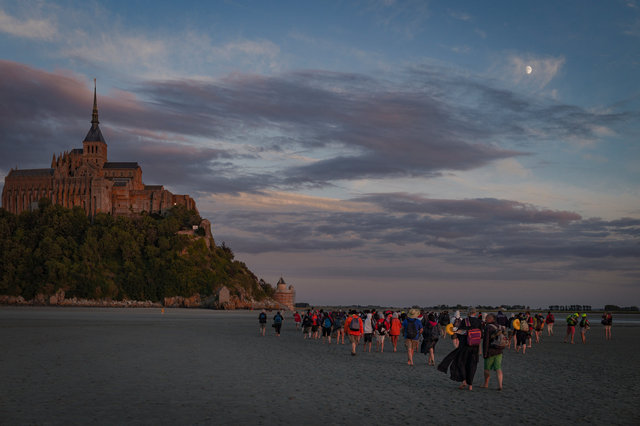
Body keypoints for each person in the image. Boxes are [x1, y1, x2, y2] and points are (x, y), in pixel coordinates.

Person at [437, 307, 482, 390]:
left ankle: (464, 381)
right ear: (475, 313)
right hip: (475, 346)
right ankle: (470, 385)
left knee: (461, 362)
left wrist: (456, 331)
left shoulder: (465, 321)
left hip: (465, 345)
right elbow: (481, 334)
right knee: (472, 365)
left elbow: (461, 332)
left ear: (468, 313)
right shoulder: (479, 321)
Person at [481, 313, 504, 390]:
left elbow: (486, 341)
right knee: (498, 368)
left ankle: (486, 384)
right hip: (499, 350)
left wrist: (485, 353)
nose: (485, 319)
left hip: (490, 351)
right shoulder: (500, 327)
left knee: (487, 369)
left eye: (487, 318)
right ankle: (500, 385)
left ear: (491, 319)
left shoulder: (488, 327)